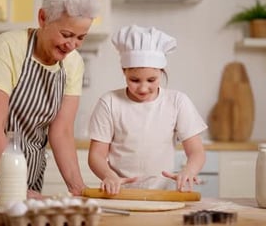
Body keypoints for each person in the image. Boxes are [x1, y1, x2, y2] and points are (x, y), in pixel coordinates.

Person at [0, 0, 100, 198]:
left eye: (81, 37)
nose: (72, 45)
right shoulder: (8, 47)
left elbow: (62, 131)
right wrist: (14, 186)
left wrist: (79, 189)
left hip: (29, 172)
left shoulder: (73, 64)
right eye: (67, 34)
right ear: (43, 18)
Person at [88, 25, 207, 195]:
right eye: (134, 80)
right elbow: (96, 156)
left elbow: (196, 152)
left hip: (163, 195)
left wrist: (189, 171)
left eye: (151, 80)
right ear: (124, 71)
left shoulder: (177, 101)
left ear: (161, 71)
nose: (143, 88)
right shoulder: (109, 102)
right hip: (120, 194)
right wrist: (108, 175)